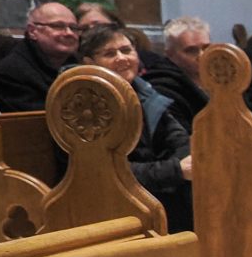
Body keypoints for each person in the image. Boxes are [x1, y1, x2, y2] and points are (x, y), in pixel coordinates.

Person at [78, 24, 194, 233]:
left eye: (126, 50)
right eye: (110, 53)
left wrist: (184, 166)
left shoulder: (146, 93)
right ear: (89, 63)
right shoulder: (81, 104)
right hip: (110, 207)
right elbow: (103, 171)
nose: (122, 58)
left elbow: (180, 141)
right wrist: (176, 170)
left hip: (158, 193)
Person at [0, 1, 79, 111]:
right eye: (58, 26)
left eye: (73, 28)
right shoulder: (11, 73)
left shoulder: (79, 65)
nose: (69, 33)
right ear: (32, 31)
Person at [148, 16, 212, 133]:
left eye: (206, 48)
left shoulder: (222, 78)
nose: (202, 55)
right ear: (170, 54)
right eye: (191, 50)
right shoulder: (163, 90)